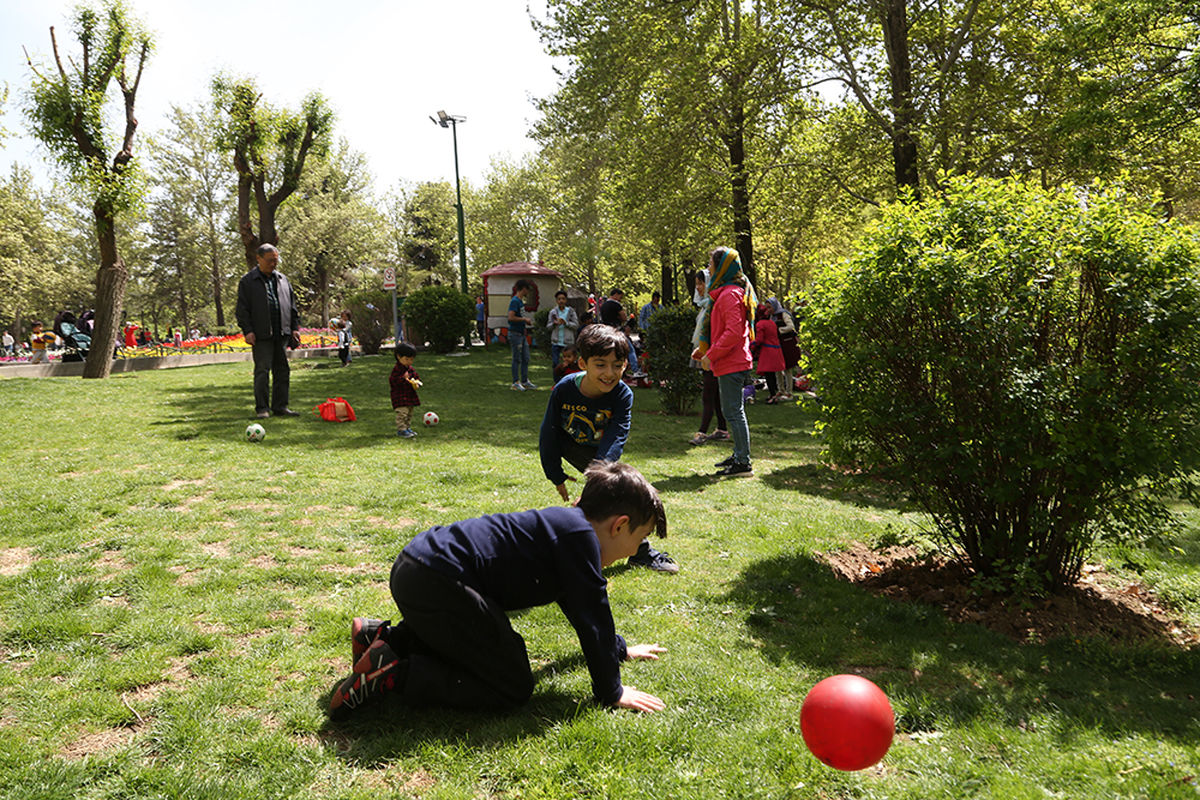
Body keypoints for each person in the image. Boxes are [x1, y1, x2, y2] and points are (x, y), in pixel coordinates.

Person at [328, 461, 669, 720]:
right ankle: (396, 677)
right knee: (512, 685)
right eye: (639, 540)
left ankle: (384, 639)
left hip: (418, 564)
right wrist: (612, 690)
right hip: (439, 579)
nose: (634, 548)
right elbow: (593, 615)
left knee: (465, 634)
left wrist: (617, 648)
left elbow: (584, 616)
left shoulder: (567, 530)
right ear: (619, 525)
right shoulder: (579, 542)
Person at [539, 325, 678, 573]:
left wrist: (599, 479)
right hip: (570, 446)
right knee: (615, 496)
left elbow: (616, 436)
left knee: (618, 492)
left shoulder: (622, 394)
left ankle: (634, 551)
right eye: (600, 364)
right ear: (583, 363)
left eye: (617, 365)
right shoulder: (564, 388)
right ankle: (572, 550)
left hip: (602, 453)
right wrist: (554, 473)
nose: (610, 373)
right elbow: (549, 433)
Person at [692, 247, 756, 477]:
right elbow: (722, 330)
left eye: (711, 263)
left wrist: (713, 354)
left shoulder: (729, 295)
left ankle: (743, 462)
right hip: (730, 361)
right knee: (732, 412)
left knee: (733, 412)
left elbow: (733, 332)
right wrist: (703, 351)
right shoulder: (727, 292)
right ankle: (739, 454)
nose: (708, 268)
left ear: (721, 268)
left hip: (732, 362)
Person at [235, 243, 302, 419]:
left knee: (282, 371)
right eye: (270, 260)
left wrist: (295, 328)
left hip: (282, 334)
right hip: (261, 335)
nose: (274, 263)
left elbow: (293, 308)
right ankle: (262, 409)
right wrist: (248, 331)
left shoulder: (283, 280)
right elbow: (242, 310)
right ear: (259, 259)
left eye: (276, 260)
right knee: (262, 372)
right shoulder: (248, 281)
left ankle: (280, 406)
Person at [687, 270, 729, 446]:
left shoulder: (714, 305)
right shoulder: (705, 305)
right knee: (715, 394)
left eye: (701, 283)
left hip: (712, 354)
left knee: (708, 393)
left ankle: (702, 432)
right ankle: (722, 429)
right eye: (697, 284)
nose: (698, 287)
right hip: (704, 352)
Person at [598, 288, 640, 375]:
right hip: (616, 330)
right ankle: (635, 370)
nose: (620, 299)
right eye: (620, 296)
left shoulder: (603, 305)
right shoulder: (616, 304)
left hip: (606, 331)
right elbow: (624, 317)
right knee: (629, 350)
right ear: (616, 294)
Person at [507, 279, 537, 391]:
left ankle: (524, 381)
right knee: (517, 359)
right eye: (527, 289)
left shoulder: (520, 301)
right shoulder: (514, 301)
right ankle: (515, 382)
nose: (528, 292)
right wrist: (524, 319)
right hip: (515, 334)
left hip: (521, 334)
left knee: (526, 358)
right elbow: (510, 317)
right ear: (523, 289)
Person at [753, 304, 786, 403]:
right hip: (776, 350)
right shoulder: (772, 323)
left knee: (768, 375)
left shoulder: (760, 324)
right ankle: (773, 395)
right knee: (772, 375)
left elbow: (759, 340)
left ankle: (772, 396)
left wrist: (751, 344)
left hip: (768, 351)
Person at [770, 298, 801, 400]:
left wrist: (778, 330)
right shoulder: (771, 316)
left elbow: (791, 326)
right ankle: (781, 390)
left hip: (787, 343)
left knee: (787, 367)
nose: (768, 309)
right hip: (777, 344)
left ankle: (789, 392)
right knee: (777, 367)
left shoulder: (783, 314)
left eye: (769, 307)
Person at [389, 342, 422, 439]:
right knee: (402, 413)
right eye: (406, 359)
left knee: (409, 413)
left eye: (411, 359)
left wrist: (417, 382)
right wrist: (403, 379)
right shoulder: (397, 369)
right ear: (399, 357)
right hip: (400, 396)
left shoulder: (410, 369)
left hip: (409, 395)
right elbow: (393, 381)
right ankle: (401, 429)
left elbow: (415, 376)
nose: (409, 362)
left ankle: (407, 427)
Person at [546, 289, 579, 370]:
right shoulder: (553, 312)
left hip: (568, 341)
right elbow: (548, 327)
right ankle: (557, 381)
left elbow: (576, 325)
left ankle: (568, 379)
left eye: (563, 299)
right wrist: (554, 324)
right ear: (556, 300)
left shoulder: (571, 312)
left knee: (570, 363)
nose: (561, 301)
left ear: (566, 300)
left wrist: (566, 323)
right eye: (559, 299)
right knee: (555, 363)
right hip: (556, 341)